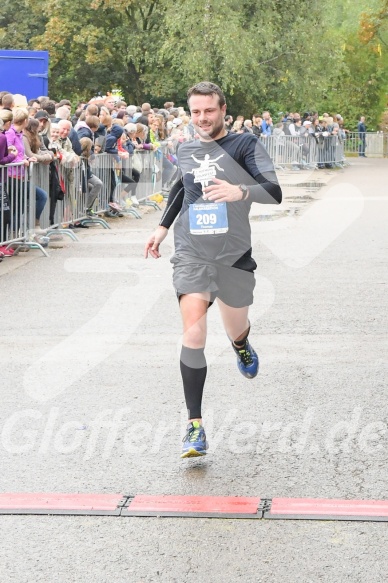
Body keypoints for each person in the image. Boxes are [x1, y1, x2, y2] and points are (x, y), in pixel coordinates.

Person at [144, 81, 282, 458]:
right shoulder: (186, 147)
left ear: (223, 110)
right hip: (192, 252)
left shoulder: (245, 145)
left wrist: (241, 191)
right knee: (194, 331)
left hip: (234, 254)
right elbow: (179, 189)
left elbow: (274, 190)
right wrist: (162, 227)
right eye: (196, 112)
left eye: (209, 111)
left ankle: (240, 345)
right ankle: (194, 426)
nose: (202, 118)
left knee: (234, 325)